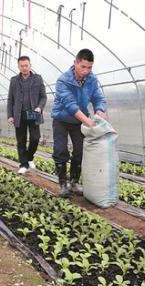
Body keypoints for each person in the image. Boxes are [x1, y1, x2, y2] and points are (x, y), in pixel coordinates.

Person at [51, 48, 107, 198]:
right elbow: (71, 106)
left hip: (79, 121)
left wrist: (100, 111)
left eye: (89, 67)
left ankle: (74, 183)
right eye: (83, 66)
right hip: (61, 119)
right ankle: (63, 184)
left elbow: (98, 98)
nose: (86, 71)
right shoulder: (63, 81)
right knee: (61, 150)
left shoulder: (92, 79)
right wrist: (89, 121)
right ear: (75, 63)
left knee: (80, 150)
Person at [7, 56, 47, 174]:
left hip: (33, 113)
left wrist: (39, 107)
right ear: (18, 66)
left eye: (26, 65)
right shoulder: (14, 80)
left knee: (35, 138)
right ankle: (23, 164)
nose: (24, 68)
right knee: (21, 140)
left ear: (30, 65)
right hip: (19, 114)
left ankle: (29, 157)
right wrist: (10, 115)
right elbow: (10, 99)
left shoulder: (37, 79)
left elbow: (43, 96)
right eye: (22, 66)